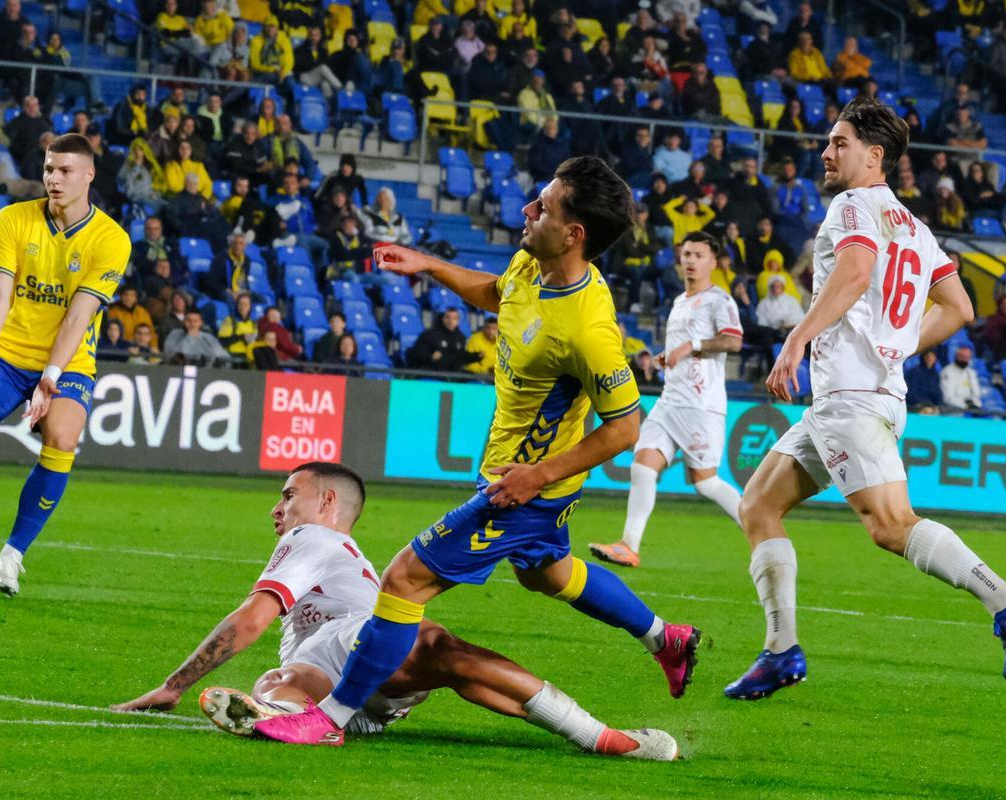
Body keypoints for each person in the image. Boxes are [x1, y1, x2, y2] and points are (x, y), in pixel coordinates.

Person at [261, 157, 703, 746]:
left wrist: (535, 476)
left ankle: (329, 718)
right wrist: (428, 265)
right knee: (549, 575)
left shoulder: (588, 332)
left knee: (403, 580)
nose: (527, 209)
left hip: (523, 490)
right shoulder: (533, 264)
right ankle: (665, 638)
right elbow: (500, 293)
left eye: (543, 208)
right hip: (522, 478)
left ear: (574, 234)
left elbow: (625, 428)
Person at [728, 97, 1006, 702]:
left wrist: (796, 338)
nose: (826, 152)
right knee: (758, 505)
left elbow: (853, 273)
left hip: (852, 397)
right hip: (856, 397)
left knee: (891, 526)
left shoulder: (851, 205)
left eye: (839, 143)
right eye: (829, 142)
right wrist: (893, 347)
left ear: (875, 156)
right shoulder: (917, 229)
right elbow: (960, 308)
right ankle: (780, 650)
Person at [111, 463, 677, 759]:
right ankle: (286, 712)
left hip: (348, 645)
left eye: (288, 495)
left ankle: (282, 712)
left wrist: (174, 686)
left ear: (326, 502)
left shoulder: (312, 537)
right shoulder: (344, 555)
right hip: (359, 681)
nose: (276, 509)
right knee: (442, 659)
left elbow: (252, 618)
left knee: (424, 645)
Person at [0, 133, 131, 598]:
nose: (54, 178)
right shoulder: (12, 218)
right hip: (7, 355)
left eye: (65, 170)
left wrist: (50, 378)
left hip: (68, 362)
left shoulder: (111, 239)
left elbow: (79, 315)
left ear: (89, 175)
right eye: (48, 169)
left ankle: (12, 555)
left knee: (62, 436)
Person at [589, 232, 744, 568]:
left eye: (699, 255)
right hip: (670, 400)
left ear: (713, 262)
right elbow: (683, 349)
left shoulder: (720, 300)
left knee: (705, 482)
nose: (691, 261)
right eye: (687, 254)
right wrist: (666, 356)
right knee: (642, 467)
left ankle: (760, 528)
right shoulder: (679, 302)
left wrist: (691, 346)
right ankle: (628, 546)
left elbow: (733, 341)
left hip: (700, 406)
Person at [408, 307, 480, 371]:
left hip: (453, 376)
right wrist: (430, 357)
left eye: (454, 318)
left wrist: (475, 357)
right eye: (447, 317)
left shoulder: (460, 337)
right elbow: (415, 353)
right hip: (432, 373)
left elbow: (461, 357)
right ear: (443, 319)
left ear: (458, 321)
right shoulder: (430, 334)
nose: (450, 321)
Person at [163, 308, 231, 367]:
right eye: (188, 320)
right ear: (184, 322)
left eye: (195, 321)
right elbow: (170, 355)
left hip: (204, 372)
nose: (192, 324)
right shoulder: (175, 334)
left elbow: (225, 358)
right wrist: (190, 337)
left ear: (201, 323)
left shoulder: (208, 338)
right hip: (178, 370)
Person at [218, 292, 259, 363]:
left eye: (246, 304)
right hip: (233, 357)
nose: (243, 307)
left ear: (250, 307)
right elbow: (222, 341)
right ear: (236, 306)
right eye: (240, 304)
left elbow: (255, 342)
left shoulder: (253, 323)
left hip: (249, 357)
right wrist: (240, 337)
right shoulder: (229, 320)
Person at [939, 345, 981, 409]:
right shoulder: (947, 372)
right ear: (956, 356)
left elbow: (977, 394)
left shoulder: (971, 373)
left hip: (972, 406)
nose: (964, 360)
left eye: (967, 358)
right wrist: (964, 406)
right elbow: (948, 398)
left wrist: (974, 404)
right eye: (962, 357)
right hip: (954, 408)